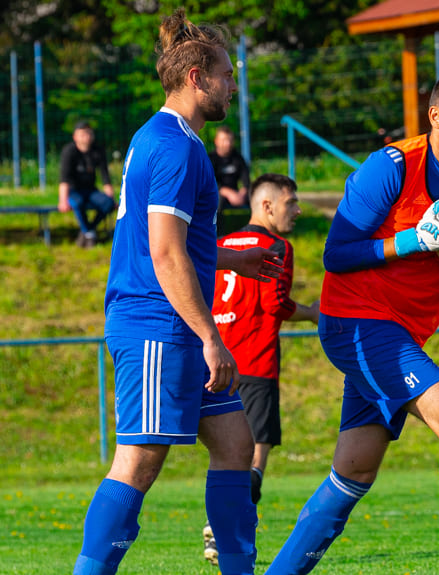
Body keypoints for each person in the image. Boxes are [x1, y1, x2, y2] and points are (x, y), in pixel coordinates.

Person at [264, 69, 439, 575]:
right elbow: (335, 255)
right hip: (355, 321)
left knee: (353, 471)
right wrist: (413, 240)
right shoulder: (392, 165)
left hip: (404, 330)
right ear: (436, 117)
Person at [73, 9, 282, 575]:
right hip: (158, 327)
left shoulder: (166, 137)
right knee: (138, 462)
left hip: (175, 325)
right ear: (197, 77)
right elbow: (164, 255)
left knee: (236, 446)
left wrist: (234, 255)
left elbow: (176, 245)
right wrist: (212, 336)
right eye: (226, 74)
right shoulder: (175, 146)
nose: (231, 85)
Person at [203, 173, 320, 565]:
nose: (298, 210)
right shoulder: (276, 246)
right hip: (254, 363)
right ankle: (225, 536)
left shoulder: (220, 244)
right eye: (291, 202)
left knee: (223, 455)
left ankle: (222, 532)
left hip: (215, 362)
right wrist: (313, 314)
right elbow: (275, 304)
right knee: (254, 457)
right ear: (267, 206)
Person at [58, 121, 116, 248]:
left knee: (108, 203)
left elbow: (105, 177)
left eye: (89, 133)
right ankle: (89, 233)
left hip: (90, 190)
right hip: (73, 191)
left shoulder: (98, 150)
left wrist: (112, 199)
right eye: (83, 134)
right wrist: (63, 200)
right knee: (77, 203)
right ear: (75, 136)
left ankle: (88, 230)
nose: (87, 136)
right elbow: (64, 178)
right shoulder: (69, 151)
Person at [209, 125, 251, 226]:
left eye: (230, 140)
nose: (227, 144)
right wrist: (227, 193)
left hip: (237, 193)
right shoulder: (210, 159)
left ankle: (256, 229)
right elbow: (209, 183)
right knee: (216, 200)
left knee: (255, 196)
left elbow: (246, 180)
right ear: (216, 141)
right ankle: (218, 234)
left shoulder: (238, 158)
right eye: (224, 140)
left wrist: (243, 192)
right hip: (218, 193)